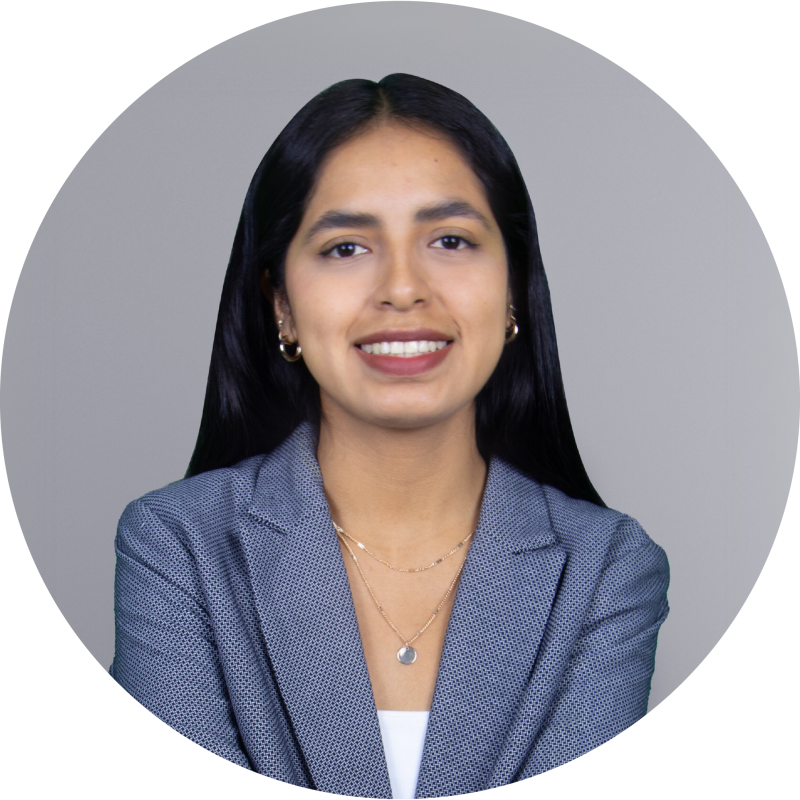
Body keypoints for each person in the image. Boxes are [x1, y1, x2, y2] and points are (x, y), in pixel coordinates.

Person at [109, 74, 669, 795]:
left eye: (450, 240)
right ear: (281, 304)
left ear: (513, 290)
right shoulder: (177, 548)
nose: (403, 288)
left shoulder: (607, 569)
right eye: (346, 247)